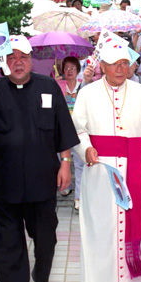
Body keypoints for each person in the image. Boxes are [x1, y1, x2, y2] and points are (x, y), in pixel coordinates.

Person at [0, 35, 79, 282]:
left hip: (42, 181)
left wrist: (66, 164)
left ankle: (42, 278)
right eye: (11, 58)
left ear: (32, 60)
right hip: (6, 184)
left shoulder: (48, 87)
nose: (17, 62)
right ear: (3, 63)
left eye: (23, 57)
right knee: (9, 247)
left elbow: (64, 129)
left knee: (46, 239)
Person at [71, 44, 141, 282]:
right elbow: (77, 129)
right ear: (103, 67)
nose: (120, 69)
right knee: (101, 231)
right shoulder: (87, 93)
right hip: (100, 171)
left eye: (125, 63)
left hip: (134, 168)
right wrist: (85, 148)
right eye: (114, 64)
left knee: (136, 225)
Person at [57, 56, 85, 209]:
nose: (69, 71)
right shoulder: (58, 86)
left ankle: (79, 198)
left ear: (77, 71)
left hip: (79, 131)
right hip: (62, 130)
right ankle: (65, 185)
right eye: (66, 68)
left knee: (80, 165)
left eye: (72, 68)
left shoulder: (84, 87)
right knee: (62, 160)